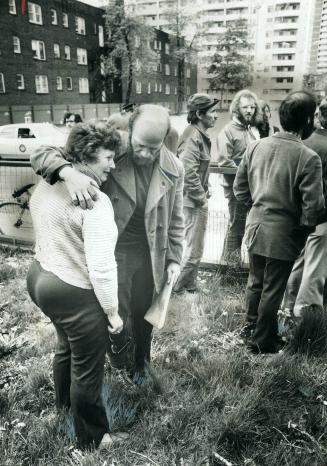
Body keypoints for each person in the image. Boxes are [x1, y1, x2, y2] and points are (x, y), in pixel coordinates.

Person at [30, 104, 184, 383]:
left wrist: (174, 257)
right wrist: (68, 173)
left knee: (143, 310)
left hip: (152, 253)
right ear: (129, 129)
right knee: (115, 312)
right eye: (140, 146)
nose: (146, 154)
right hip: (116, 249)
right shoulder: (109, 147)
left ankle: (141, 362)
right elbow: (42, 153)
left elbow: (176, 218)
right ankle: (119, 359)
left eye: (154, 147)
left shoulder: (175, 167)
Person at [26, 122, 124, 449]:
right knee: (88, 368)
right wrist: (112, 313)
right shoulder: (95, 203)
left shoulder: (47, 182)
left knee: (65, 348)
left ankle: (64, 410)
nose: (113, 164)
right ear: (86, 155)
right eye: (108, 157)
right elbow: (102, 269)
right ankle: (95, 441)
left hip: (39, 277)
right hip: (71, 289)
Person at [234, 90, 325, 354]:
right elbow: (313, 208)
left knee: (256, 282)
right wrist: (302, 231)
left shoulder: (256, 146)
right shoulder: (308, 158)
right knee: (273, 288)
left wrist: (258, 208)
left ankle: (251, 330)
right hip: (284, 233)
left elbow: (241, 190)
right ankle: (262, 342)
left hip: (255, 226)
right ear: (307, 121)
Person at [282, 98, 327, 316]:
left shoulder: (306, 142)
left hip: (299, 213)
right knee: (315, 267)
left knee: (299, 262)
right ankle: (306, 317)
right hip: (321, 216)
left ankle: (288, 307)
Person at [174, 93, 218, 293]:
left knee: (195, 246)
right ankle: (174, 290)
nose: (216, 116)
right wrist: (201, 197)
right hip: (191, 202)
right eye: (212, 112)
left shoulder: (197, 134)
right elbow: (187, 171)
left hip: (192, 200)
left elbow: (196, 170)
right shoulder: (193, 137)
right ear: (200, 114)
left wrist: (205, 187)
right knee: (193, 249)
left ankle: (190, 285)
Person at [216, 89, 260, 263]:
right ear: (236, 109)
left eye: (252, 107)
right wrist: (244, 178)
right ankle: (230, 268)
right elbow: (224, 162)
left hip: (253, 188)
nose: (249, 111)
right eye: (245, 107)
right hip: (237, 190)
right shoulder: (228, 131)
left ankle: (230, 264)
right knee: (236, 227)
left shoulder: (250, 130)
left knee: (244, 226)